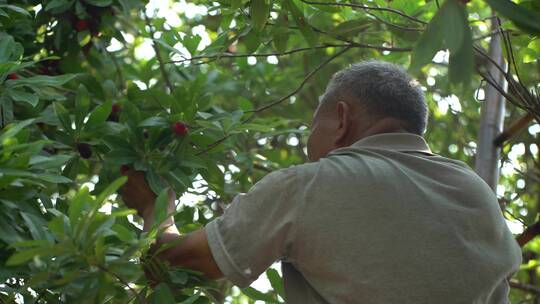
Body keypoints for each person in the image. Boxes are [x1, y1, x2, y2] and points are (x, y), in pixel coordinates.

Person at [120, 60, 523, 303]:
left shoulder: (309, 185)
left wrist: (155, 207)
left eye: (314, 124)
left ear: (342, 120)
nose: (308, 143)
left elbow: (170, 264)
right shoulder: (475, 190)